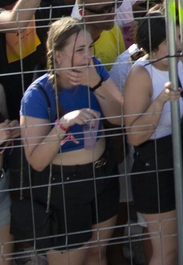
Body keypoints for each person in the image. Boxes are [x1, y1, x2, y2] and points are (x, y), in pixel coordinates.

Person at [17, 16, 125, 265]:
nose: (88, 56)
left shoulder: (95, 69)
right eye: (80, 50)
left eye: (90, 48)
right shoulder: (37, 94)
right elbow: (37, 161)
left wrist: (96, 83)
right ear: (58, 56)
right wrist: (63, 124)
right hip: (64, 186)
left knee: (97, 255)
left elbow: (120, 116)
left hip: (103, 174)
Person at [120, 5, 183, 265]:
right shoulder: (141, 74)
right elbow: (134, 136)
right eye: (172, 40)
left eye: (180, 36)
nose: (181, 44)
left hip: (181, 157)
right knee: (167, 251)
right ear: (153, 46)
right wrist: (160, 101)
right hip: (154, 166)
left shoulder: (179, 64)